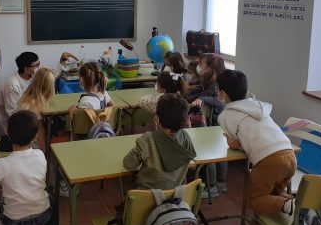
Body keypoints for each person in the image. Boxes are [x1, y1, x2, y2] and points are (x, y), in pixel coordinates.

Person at [216, 69, 296, 215]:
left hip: (269, 160)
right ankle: (299, 206)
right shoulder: (257, 105)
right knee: (272, 193)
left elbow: (234, 145)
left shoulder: (225, 116)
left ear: (223, 94)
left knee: (253, 200)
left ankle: (291, 205)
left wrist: (229, 139)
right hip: (290, 154)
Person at [123, 93, 196, 189]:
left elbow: (128, 164)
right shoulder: (185, 137)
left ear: (157, 118)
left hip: (146, 198)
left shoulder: (147, 139)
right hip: (173, 195)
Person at [187, 53, 226, 197]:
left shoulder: (217, 84)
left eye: (202, 63)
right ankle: (220, 182)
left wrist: (199, 98)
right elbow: (202, 89)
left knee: (212, 151)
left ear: (211, 68)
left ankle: (213, 186)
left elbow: (208, 96)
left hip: (217, 122)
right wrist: (193, 87)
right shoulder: (212, 78)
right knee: (218, 150)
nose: (199, 66)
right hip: (218, 121)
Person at [0, 52, 40, 127]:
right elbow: (12, 113)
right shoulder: (12, 85)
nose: (38, 67)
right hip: (15, 124)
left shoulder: (32, 78)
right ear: (26, 69)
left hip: (28, 116)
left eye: (39, 63)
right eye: (36, 66)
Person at [18, 68, 55, 150]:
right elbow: (39, 128)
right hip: (31, 143)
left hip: (24, 138)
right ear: (48, 87)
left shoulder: (29, 97)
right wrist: (43, 150)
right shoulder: (34, 104)